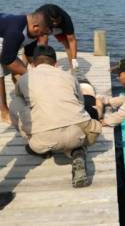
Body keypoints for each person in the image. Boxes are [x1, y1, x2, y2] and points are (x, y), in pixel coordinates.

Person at [9, 45, 102, 188]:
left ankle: (34, 143)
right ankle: (76, 152)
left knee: (16, 102)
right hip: (78, 132)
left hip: (42, 140)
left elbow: (20, 105)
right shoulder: (69, 77)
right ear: (56, 63)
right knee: (80, 115)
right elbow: (81, 104)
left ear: (33, 64)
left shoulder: (24, 79)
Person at [0, 11, 51, 123]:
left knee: (21, 72)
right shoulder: (16, 32)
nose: (43, 37)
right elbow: (8, 60)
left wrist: (41, 70)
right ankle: (3, 111)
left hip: (6, 41)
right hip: (3, 39)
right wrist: (32, 75)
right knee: (1, 75)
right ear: (35, 26)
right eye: (43, 33)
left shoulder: (32, 31)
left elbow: (29, 54)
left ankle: (30, 100)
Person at [34, 4, 79, 70]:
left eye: (57, 21)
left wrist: (74, 60)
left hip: (59, 27)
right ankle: (43, 66)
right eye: (53, 21)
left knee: (67, 43)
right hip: (44, 24)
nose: (55, 23)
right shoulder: (41, 17)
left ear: (60, 17)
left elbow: (72, 40)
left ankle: (73, 67)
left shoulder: (66, 19)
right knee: (42, 42)